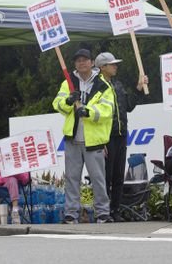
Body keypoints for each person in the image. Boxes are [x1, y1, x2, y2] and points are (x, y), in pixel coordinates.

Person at [52, 48, 114, 224]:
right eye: (78, 60)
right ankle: (71, 214)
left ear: (92, 62)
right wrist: (69, 102)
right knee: (72, 179)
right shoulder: (68, 82)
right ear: (75, 64)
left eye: (85, 60)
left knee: (98, 179)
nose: (82, 63)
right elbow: (57, 104)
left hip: (93, 141)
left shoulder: (103, 84)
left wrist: (87, 111)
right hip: (72, 139)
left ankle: (103, 213)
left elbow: (107, 110)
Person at [95, 52, 147, 221]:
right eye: (112, 64)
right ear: (102, 67)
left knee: (118, 175)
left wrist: (139, 89)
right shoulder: (96, 85)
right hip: (106, 137)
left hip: (121, 134)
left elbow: (129, 106)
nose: (115, 66)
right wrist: (100, 140)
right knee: (106, 176)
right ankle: (103, 211)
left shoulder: (117, 85)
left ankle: (115, 211)